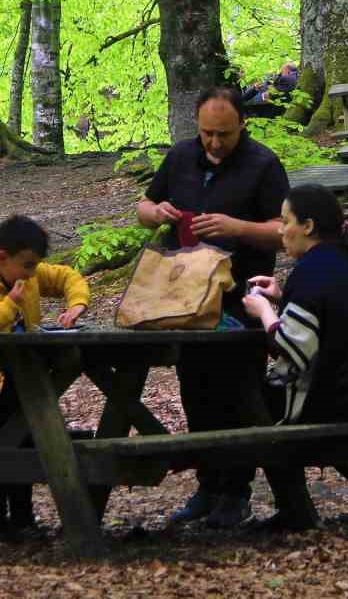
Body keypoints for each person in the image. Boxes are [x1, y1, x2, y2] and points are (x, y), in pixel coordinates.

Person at [136, 87, 289, 529]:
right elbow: (144, 205)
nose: (215, 143)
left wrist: (236, 227)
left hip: (241, 298)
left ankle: (235, 493)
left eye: (223, 134)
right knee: (195, 389)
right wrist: (155, 213)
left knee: (239, 392)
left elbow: (286, 231)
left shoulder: (263, 165)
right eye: (207, 134)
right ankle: (207, 487)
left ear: (242, 124)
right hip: (183, 296)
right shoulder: (181, 157)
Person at [242, 184, 348, 530]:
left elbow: (292, 350)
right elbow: (329, 319)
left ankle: (294, 512)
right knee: (316, 408)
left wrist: (263, 311)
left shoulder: (312, 271)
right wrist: (281, 298)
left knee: (258, 403)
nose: (279, 229)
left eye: (285, 221)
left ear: (307, 226)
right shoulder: (344, 258)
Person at [0, 214, 90, 551]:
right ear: (1, 258)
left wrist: (77, 304)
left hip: (26, 377)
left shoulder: (27, 272)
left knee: (26, 444)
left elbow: (68, 276)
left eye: (35, 266)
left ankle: (24, 519)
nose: (32, 273)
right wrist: (8, 305)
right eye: (26, 266)